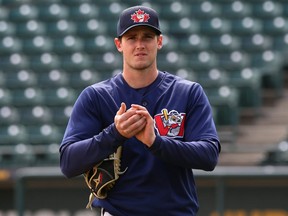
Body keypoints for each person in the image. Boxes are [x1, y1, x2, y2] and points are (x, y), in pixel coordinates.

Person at [59, 5, 221, 216]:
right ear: (119, 44)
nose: (139, 44)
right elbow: (69, 163)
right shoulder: (97, 96)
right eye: (131, 37)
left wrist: (156, 143)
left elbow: (209, 156)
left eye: (147, 36)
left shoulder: (187, 92)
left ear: (159, 42)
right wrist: (115, 134)